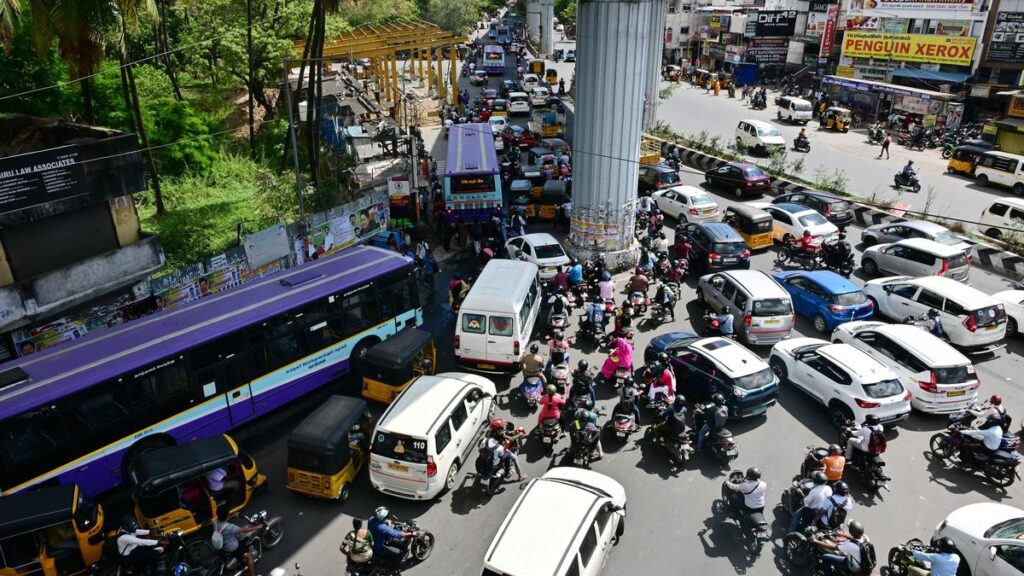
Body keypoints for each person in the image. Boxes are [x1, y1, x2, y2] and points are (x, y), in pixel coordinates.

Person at [214, 505, 259, 576]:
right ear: (226, 514)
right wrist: (256, 527)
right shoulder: (230, 527)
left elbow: (224, 521)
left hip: (221, 545)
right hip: (232, 548)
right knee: (249, 556)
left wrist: (233, 515)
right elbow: (245, 530)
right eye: (228, 513)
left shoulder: (215, 522)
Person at [368, 507, 415, 571]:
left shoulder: (371, 519)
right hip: (379, 548)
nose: (388, 516)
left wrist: (388, 523)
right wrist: (411, 533)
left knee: (391, 540)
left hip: (374, 540)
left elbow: (384, 526)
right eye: (387, 516)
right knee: (399, 554)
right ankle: (393, 570)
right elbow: (397, 534)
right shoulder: (383, 528)